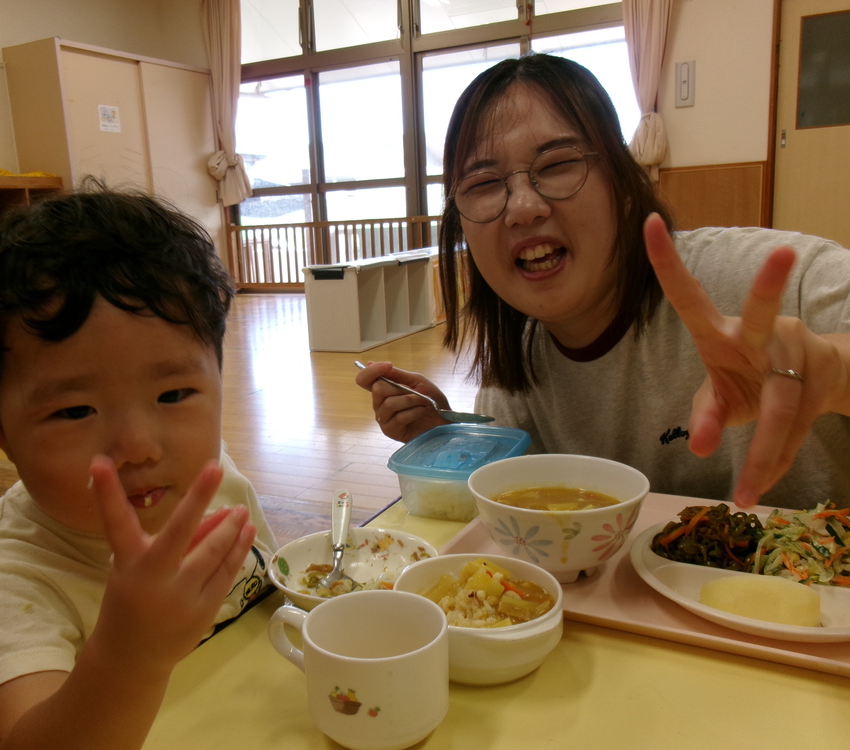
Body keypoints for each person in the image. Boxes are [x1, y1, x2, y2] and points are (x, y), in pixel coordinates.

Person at [357, 54, 850, 512]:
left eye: (556, 165)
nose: (524, 208)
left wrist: (834, 371)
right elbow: (534, 530)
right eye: (484, 184)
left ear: (625, 187)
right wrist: (450, 435)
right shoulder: (517, 382)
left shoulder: (763, 281)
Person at [0, 185, 278, 749]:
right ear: (0, 432)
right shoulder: (4, 577)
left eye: (175, 394)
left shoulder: (213, 478)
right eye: (75, 410)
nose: (137, 447)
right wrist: (129, 653)